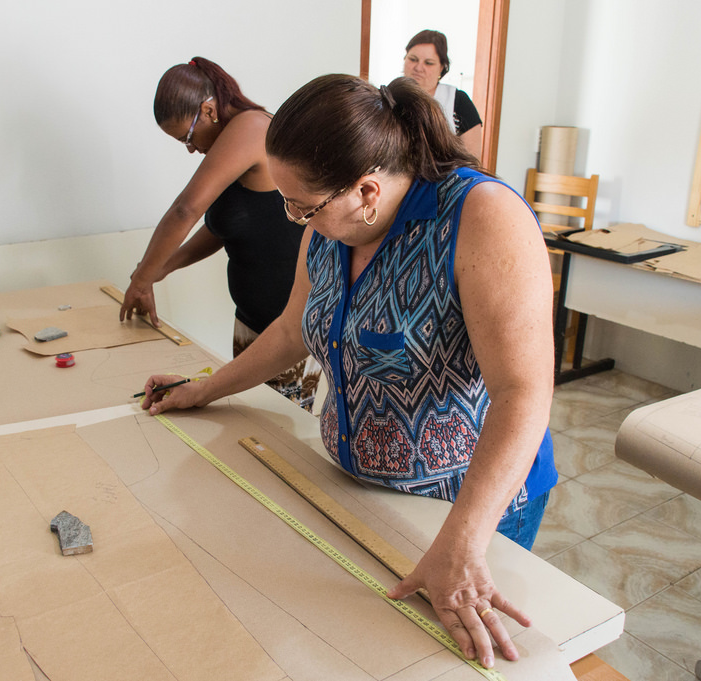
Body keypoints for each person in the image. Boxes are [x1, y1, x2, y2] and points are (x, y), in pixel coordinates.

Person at [140, 74, 556, 669]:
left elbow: (524, 393)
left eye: (301, 205)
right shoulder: (328, 228)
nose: (292, 218)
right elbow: (289, 331)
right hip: (361, 491)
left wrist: (462, 546)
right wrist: (202, 388)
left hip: (464, 505)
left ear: (365, 191)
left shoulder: (480, 217)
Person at [120, 57, 321, 411]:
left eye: (187, 135)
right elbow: (222, 228)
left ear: (209, 109)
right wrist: (161, 268)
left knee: (276, 432)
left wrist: (141, 278)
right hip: (250, 319)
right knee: (247, 424)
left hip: (285, 327)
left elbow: (186, 209)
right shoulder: (229, 143)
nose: (190, 148)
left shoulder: (252, 127)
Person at [403, 29, 483, 159]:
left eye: (428, 63)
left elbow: (472, 160)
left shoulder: (458, 101)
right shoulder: (388, 98)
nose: (418, 68)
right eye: (413, 59)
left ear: (442, 67)